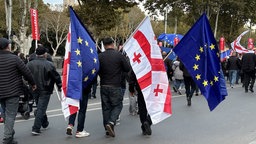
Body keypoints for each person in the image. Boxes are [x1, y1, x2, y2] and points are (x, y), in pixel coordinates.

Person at [0, 38, 36, 144]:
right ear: (8, 46)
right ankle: (7, 138)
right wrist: (33, 84)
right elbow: (27, 72)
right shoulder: (14, 58)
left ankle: (9, 132)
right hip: (12, 91)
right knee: (11, 114)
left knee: (5, 113)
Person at [26, 45, 62, 135]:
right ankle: (36, 128)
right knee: (41, 108)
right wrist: (60, 86)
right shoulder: (49, 64)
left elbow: (25, 75)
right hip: (45, 89)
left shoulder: (29, 64)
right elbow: (56, 77)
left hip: (34, 88)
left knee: (40, 106)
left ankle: (44, 122)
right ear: (45, 54)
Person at [98, 37, 130, 137]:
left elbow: (96, 69)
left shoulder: (100, 56)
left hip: (104, 84)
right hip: (116, 85)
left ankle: (107, 129)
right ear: (112, 44)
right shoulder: (119, 55)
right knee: (117, 105)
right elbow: (127, 68)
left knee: (106, 107)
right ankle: (111, 122)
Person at [128, 70, 152, 136]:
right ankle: (148, 121)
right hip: (152, 87)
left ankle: (144, 125)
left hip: (141, 87)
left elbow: (132, 76)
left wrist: (131, 88)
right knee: (155, 106)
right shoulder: (154, 60)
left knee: (142, 108)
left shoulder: (139, 61)